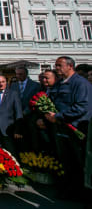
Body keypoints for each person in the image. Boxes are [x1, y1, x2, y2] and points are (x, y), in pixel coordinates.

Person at [44, 56, 92, 198]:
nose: (57, 68)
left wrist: (58, 116)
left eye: (59, 65)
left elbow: (82, 107)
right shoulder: (60, 84)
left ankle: (81, 192)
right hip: (61, 129)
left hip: (75, 129)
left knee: (78, 162)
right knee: (66, 161)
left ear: (70, 66)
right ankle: (69, 189)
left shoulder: (80, 83)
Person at [10, 67, 40, 152]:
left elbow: (36, 100)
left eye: (21, 74)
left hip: (30, 115)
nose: (18, 76)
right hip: (18, 117)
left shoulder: (35, 85)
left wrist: (26, 111)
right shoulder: (13, 85)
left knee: (32, 137)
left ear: (26, 74)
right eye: (17, 74)